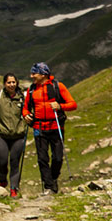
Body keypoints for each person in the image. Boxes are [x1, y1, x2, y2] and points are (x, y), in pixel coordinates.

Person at [22, 62, 77, 195]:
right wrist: (25, 115)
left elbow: (73, 104)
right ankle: (48, 187)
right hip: (39, 127)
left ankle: (53, 179)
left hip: (56, 126)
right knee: (42, 159)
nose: (31, 76)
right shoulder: (31, 90)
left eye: (34, 73)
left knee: (57, 157)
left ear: (43, 74)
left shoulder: (58, 86)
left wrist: (60, 106)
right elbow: (25, 108)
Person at [0, 73, 28, 197]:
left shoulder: (22, 97)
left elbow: (29, 112)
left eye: (13, 82)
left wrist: (29, 119)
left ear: (17, 83)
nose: (11, 85)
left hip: (18, 135)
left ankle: (14, 189)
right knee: (2, 161)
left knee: (15, 162)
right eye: (9, 82)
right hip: (1, 135)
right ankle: (3, 181)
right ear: (4, 84)